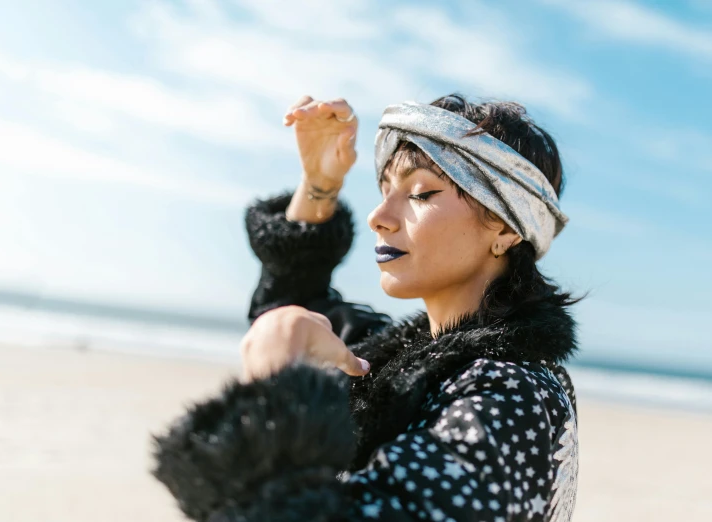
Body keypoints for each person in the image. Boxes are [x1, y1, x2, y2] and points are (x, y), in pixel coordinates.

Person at [152, 94, 581, 522]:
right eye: (384, 190)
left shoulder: (510, 393)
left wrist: (276, 398)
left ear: (506, 228)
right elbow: (299, 312)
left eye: (420, 193)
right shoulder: (407, 360)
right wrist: (320, 184)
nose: (379, 216)